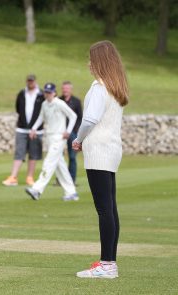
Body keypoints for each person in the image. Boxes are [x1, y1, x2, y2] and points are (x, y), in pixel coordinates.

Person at [72, 41, 128, 279]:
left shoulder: (99, 87)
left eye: (91, 58)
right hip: (112, 149)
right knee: (110, 209)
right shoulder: (116, 88)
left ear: (99, 62)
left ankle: (107, 265)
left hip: (99, 150)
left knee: (104, 209)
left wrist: (78, 139)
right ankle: (109, 263)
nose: (89, 63)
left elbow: (90, 120)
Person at [24, 83, 78, 201]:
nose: (48, 94)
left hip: (59, 138)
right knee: (60, 166)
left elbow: (73, 116)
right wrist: (33, 128)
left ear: (54, 93)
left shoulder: (59, 103)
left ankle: (37, 189)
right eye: (46, 92)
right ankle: (71, 192)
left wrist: (68, 131)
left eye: (50, 92)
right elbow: (41, 118)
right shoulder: (44, 104)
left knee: (48, 162)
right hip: (48, 137)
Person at [2, 74, 45, 186]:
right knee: (19, 153)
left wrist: (35, 127)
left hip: (36, 130)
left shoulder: (41, 94)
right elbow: (18, 108)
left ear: (35, 81)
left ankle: (29, 177)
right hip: (22, 128)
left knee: (33, 154)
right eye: (28, 81)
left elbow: (44, 112)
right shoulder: (22, 93)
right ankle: (13, 177)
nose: (30, 83)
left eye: (32, 81)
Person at [60, 81, 82, 183]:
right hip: (60, 132)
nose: (65, 90)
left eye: (67, 88)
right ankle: (60, 179)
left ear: (70, 89)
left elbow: (79, 118)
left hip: (72, 133)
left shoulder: (76, 101)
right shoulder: (58, 100)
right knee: (58, 156)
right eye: (64, 88)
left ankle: (71, 180)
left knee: (72, 157)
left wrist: (75, 131)